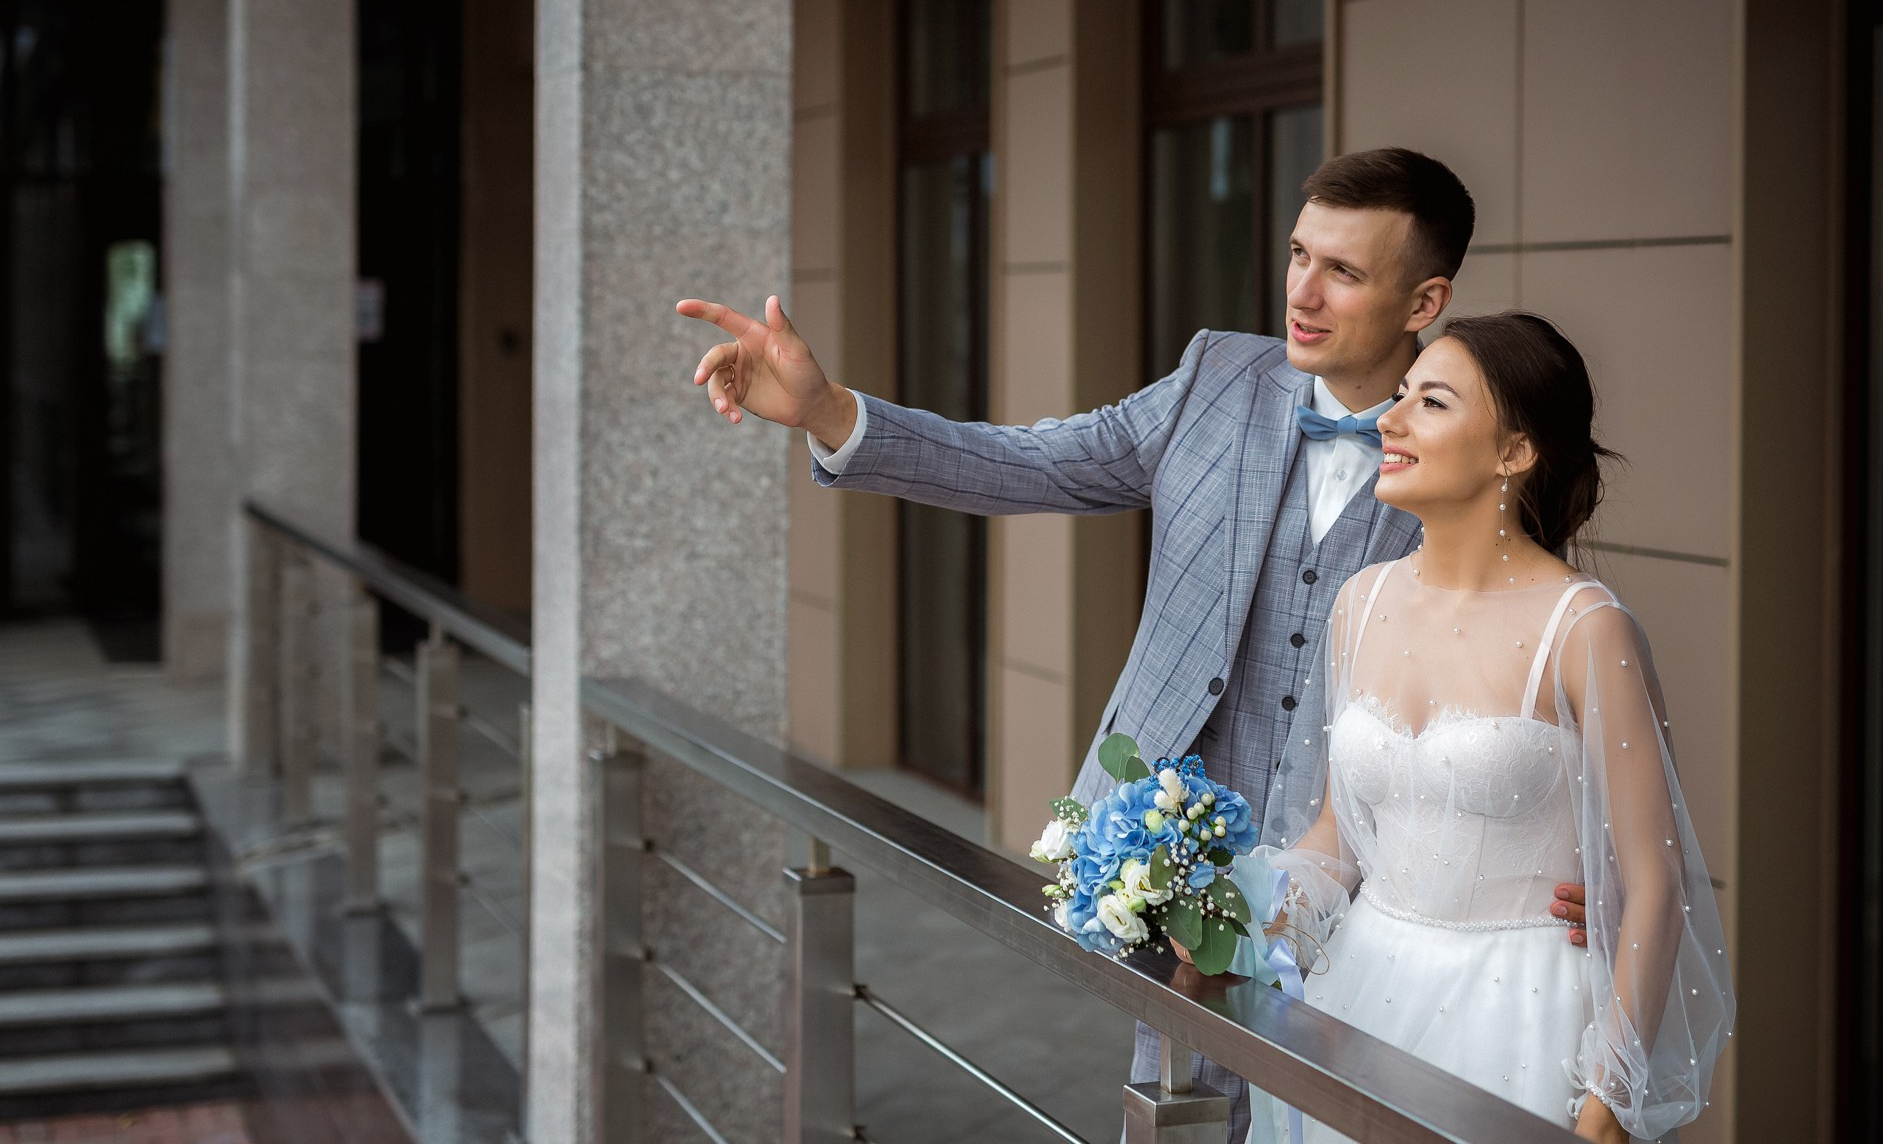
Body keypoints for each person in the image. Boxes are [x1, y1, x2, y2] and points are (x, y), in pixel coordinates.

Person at [677, 148, 1593, 1137]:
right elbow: (1031, 463)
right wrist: (826, 410)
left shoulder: (1462, 447)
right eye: (1297, 255)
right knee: (1176, 1114)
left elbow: (1532, 660)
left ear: (1424, 300)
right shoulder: (1213, 377)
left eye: (1344, 271)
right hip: (1178, 870)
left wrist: (1578, 861)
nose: (1302, 291)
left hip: (1375, 893)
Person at [1253, 312, 1735, 1143]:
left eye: (1430, 403)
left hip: (1523, 1020)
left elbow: (1655, 886)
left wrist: (1605, 1107)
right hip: (1360, 998)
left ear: (1515, 451)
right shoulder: (1358, 603)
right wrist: (1233, 914)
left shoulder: (1587, 628)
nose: (1388, 420)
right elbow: (1338, 835)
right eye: (1396, 396)